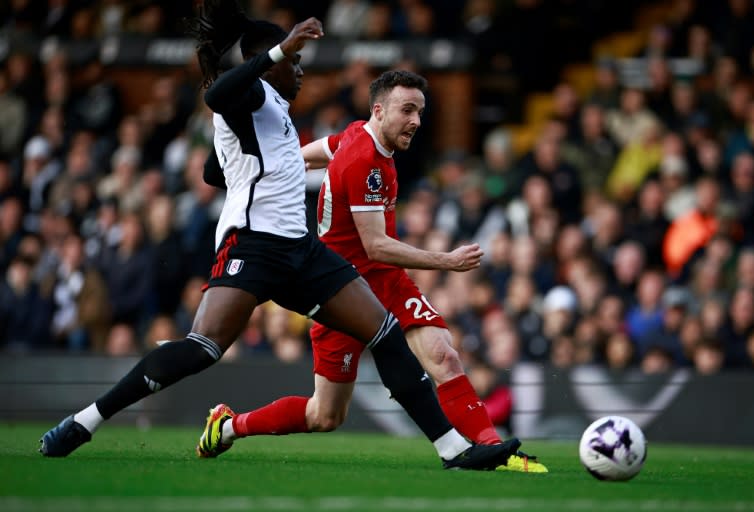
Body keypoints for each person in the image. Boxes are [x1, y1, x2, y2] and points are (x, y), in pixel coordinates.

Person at [39, 1, 519, 471]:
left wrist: (238, 160)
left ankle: (454, 450)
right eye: (297, 62)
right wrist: (276, 53)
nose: (302, 72)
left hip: (301, 250)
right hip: (253, 245)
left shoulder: (276, 110)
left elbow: (213, 172)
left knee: (386, 334)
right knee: (201, 348)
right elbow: (217, 98)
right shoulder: (252, 95)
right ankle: (86, 420)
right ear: (273, 63)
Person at [206, 68, 545, 472]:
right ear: (380, 110)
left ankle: (494, 449)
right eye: (407, 111)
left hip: (385, 279)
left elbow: (318, 152)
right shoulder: (365, 162)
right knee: (325, 416)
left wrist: (276, 171)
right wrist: (447, 261)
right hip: (341, 289)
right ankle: (229, 426)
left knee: (442, 355)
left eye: (419, 112)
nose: (416, 121)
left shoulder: (358, 134)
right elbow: (376, 245)